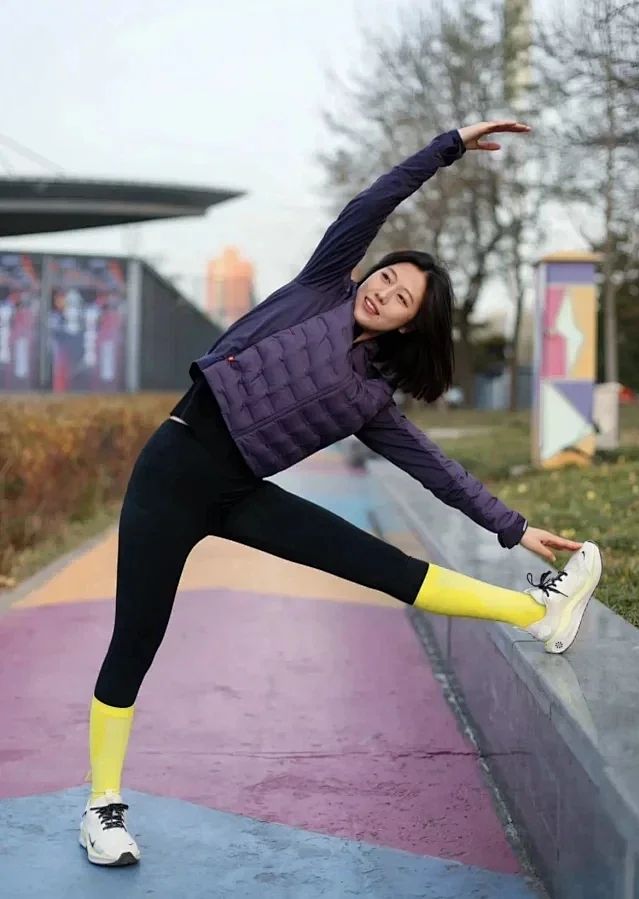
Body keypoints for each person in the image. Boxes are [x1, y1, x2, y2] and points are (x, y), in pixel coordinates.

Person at [79, 121, 602, 867]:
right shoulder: (321, 288)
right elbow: (373, 202)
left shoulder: (371, 400)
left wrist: (515, 527)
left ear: (412, 324)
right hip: (170, 472)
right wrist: (449, 145)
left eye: (403, 298)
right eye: (386, 277)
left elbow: (436, 469)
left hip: (237, 491)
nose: (385, 292)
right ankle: (101, 807)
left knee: (383, 566)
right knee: (138, 637)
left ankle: (539, 612)